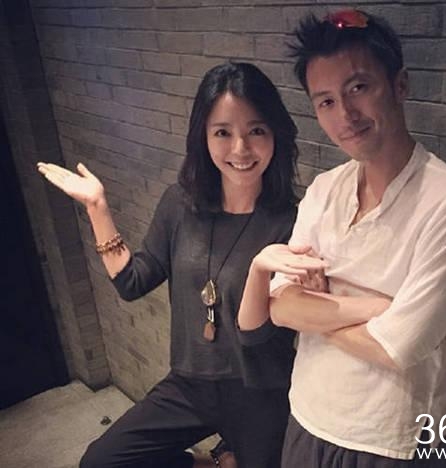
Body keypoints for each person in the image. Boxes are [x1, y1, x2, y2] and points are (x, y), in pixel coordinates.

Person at [237, 9, 446, 467]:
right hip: (308, 413)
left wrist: (318, 310)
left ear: (399, 84)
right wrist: (378, 308)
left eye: (358, 88)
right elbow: (281, 306)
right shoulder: (323, 190)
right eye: (326, 101)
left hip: (392, 439)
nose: (345, 115)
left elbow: (398, 346)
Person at [38, 62, 299, 468]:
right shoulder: (180, 204)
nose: (240, 149)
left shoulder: (293, 221)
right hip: (190, 383)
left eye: (256, 131)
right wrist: (97, 208)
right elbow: (132, 282)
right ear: (203, 137)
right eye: (223, 132)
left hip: (260, 390)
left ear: (275, 134)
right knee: (102, 462)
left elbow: (276, 329)